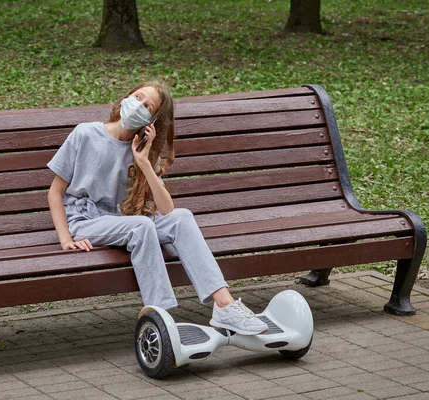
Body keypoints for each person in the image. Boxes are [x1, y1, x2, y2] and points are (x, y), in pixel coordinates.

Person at [47, 81, 268, 335]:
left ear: (151, 120)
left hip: (119, 221)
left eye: (147, 106)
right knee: (141, 225)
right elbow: (55, 192)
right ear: (126, 97)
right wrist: (65, 239)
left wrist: (143, 162)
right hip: (84, 221)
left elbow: (167, 208)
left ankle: (225, 306)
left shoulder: (140, 151)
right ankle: (161, 318)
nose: (138, 105)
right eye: (137, 97)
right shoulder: (85, 134)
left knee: (182, 218)